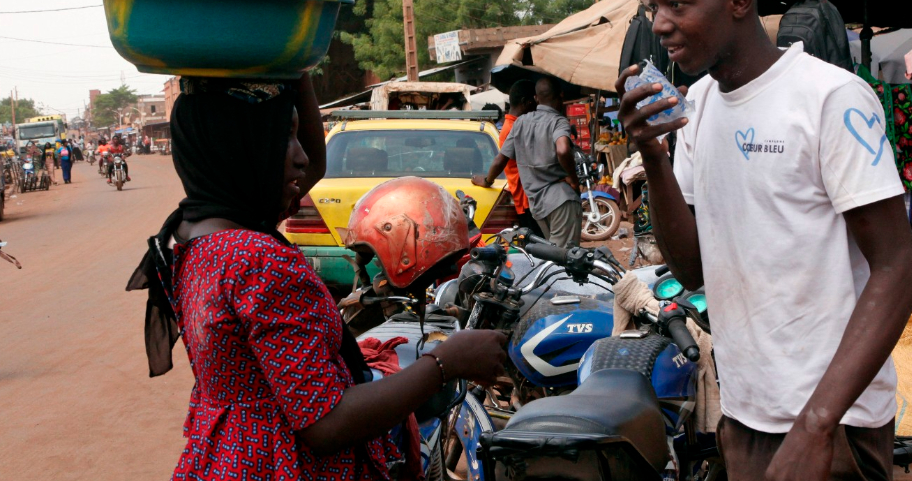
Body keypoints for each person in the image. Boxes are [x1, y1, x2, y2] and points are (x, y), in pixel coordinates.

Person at [616, 0, 912, 481]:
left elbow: (899, 268)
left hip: (833, 424)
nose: (660, 24)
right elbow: (693, 270)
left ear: (738, 1)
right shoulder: (701, 103)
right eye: (652, 7)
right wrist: (655, 160)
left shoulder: (829, 99)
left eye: (677, 4)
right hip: (746, 414)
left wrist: (816, 426)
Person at [126, 75, 507, 480]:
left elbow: (314, 163)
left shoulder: (194, 235)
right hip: (279, 466)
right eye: (282, 138)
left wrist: (299, 73)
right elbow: (325, 423)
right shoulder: (258, 260)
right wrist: (447, 361)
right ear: (242, 150)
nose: (302, 157)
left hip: (224, 455)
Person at [473, 76, 581, 248]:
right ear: (560, 95)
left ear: (537, 98)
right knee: (564, 258)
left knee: (549, 254)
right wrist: (573, 179)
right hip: (560, 201)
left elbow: (500, 159)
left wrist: (487, 181)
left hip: (536, 204)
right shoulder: (558, 121)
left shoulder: (520, 122)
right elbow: (562, 149)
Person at [472, 80, 543, 235]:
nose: (537, 106)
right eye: (535, 101)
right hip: (528, 199)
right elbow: (500, 160)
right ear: (526, 102)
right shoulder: (515, 127)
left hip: (529, 198)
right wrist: (487, 181)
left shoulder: (515, 125)